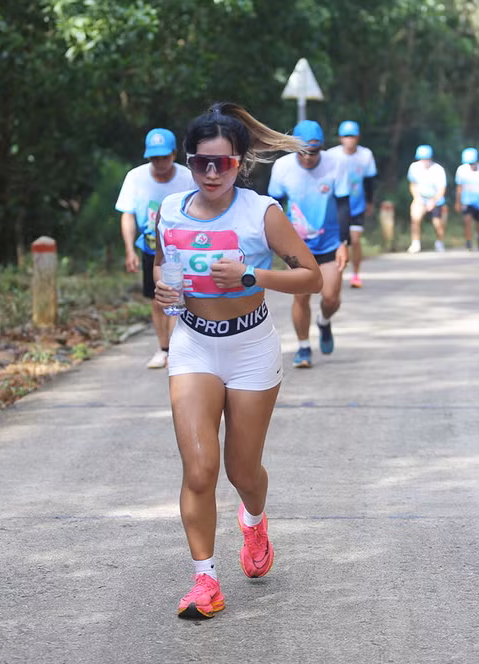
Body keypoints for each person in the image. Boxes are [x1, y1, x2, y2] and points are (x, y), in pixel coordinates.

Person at [152, 103, 323, 620]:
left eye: (222, 164)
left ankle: (253, 521)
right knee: (199, 469)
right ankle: (205, 581)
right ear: (188, 161)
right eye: (200, 163)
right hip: (194, 344)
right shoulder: (170, 210)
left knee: (242, 471)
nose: (211, 173)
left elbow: (311, 276)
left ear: (240, 163)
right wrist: (164, 289)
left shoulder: (261, 212)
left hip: (250, 347)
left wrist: (252, 276)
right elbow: (163, 264)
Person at [268, 119, 351, 368]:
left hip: (330, 243)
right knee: (301, 297)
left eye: (312, 152)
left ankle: (324, 321)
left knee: (331, 298)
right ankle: (303, 347)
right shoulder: (282, 167)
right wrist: (276, 244)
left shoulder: (336, 164)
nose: (307, 158)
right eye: (301, 152)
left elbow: (344, 205)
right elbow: (272, 207)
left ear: (321, 148)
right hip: (297, 246)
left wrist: (344, 243)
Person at [115, 127, 197, 369]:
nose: (160, 162)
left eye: (164, 157)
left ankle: (178, 349)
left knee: (181, 299)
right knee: (158, 300)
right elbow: (128, 215)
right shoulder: (135, 178)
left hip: (183, 249)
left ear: (173, 154)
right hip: (152, 249)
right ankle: (164, 349)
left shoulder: (187, 177)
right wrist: (129, 250)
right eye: (154, 158)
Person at [325, 120, 377, 288]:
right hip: (337, 207)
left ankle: (355, 274)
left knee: (354, 240)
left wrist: (370, 202)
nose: (349, 139)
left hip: (356, 206)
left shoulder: (365, 155)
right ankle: (336, 274)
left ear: (358, 137)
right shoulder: (331, 155)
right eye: (346, 136)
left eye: (352, 136)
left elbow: (369, 181)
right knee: (338, 242)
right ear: (341, 138)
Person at [406, 144, 448, 253]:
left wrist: (433, 201)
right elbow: (413, 184)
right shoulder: (414, 167)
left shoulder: (438, 169)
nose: (424, 161)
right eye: (422, 159)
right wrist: (417, 198)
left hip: (436, 199)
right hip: (421, 197)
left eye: (426, 159)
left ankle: (439, 242)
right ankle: (415, 243)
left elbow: (442, 189)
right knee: (415, 217)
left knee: (437, 223)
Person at [453, 147, 479, 251]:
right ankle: (468, 241)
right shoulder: (461, 170)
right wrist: (457, 202)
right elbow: (459, 187)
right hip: (466, 201)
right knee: (467, 220)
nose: (471, 165)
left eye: (472, 163)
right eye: (469, 163)